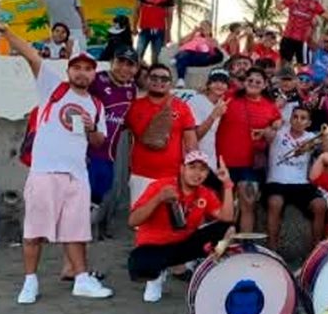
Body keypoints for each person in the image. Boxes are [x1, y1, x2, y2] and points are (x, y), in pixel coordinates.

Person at [0, 17, 112, 303]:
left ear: (94, 74)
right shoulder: (53, 88)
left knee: (77, 230)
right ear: (68, 69)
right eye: (77, 67)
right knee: (34, 231)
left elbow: (98, 142)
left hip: (76, 175)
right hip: (45, 172)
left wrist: (91, 127)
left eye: (87, 69)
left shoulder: (96, 105)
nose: (82, 73)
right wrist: (7, 31)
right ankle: (29, 282)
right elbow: (30, 55)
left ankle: (81, 279)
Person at [127, 151, 234, 302]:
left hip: (183, 244)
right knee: (140, 267)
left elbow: (227, 218)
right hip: (154, 245)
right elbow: (132, 221)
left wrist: (227, 184)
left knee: (228, 229)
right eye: (192, 167)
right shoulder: (161, 186)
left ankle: (209, 270)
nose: (197, 173)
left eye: (202, 169)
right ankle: (157, 275)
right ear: (182, 168)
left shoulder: (205, 193)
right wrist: (158, 199)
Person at [216, 68, 282, 232]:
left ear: (265, 85)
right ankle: (221, 245)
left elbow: (275, 134)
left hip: (250, 164)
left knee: (248, 203)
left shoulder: (270, 107)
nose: (253, 84)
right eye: (250, 80)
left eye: (258, 82)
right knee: (224, 205)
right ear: (244, 82)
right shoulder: (229, 98)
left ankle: (246, 245)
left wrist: (266, 131)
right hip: (225, 162)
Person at [124, 63, 198, 204]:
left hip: (171, 176)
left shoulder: (182, 107)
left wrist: (191, 173)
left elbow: (191, 144)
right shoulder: (135, 106)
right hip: (140, 175)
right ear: (147, 80)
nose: (159, 82)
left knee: (168, 223)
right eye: (154, 77)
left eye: (164, 79)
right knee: (140, 223)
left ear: (170, 83)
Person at [87, 46, 140, 242]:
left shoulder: (132, 89)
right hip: (87, 151)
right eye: (120, 62)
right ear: (112, 62)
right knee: (85, 195)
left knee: (100, 194)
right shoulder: (96, 80)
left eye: (130, 64)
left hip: (109, 154)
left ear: (136, 69)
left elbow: (126, 120)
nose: (124, 68)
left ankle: (92, 233)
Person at [266, 106, 328, 251]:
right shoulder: (279, 133)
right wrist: (272, 126)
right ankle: (272, 246)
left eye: (303, 118)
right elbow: (267, 135)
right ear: (290, 119)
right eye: (295, 117)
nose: (298, 121)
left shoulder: (311, 138)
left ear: (308, 122)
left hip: (301, 184)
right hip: (277, 181)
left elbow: (326, 147)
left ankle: (316, 247)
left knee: (320, 205)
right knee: (275, 202)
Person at [183, 68, 230, 178]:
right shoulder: (196, 101)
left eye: (223, 82)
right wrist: (213, 116)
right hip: (194, 163)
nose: (219, 85)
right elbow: (194, 137)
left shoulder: (220, 103)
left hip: (210, 164)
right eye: (215, 81)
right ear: (208, 84)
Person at [275, 0, 325, 65]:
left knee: (303, 65)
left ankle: (302, 79)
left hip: (303, 40)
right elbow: (279, 7)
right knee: (284, 63)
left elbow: (325, 15)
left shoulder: (315, 2)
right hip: (288, 36)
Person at [173, 21, 223, 87]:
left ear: (210, 29)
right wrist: (193, 32)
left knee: (182, 57)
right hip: (188, 55)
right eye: (201, 25)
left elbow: (213, 52)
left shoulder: (212, 39)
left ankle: (177, 59)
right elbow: (181, 42)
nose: (202, 27)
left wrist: (206, 35)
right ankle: (181, 80)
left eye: (205, 26)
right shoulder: (194, 36)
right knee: (184, 55)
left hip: (201, 56)